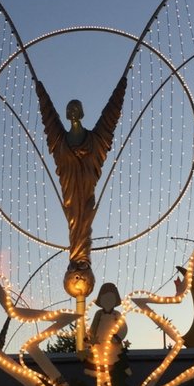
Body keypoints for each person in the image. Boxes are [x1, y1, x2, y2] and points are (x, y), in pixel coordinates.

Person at [35, 75, 127, 298]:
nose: (73, 111)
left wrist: (122, 84)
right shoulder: (59, 143)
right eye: (70, 109)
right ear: (67, 114)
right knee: (75, 221)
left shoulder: (96, 143)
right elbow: (49, 119)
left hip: (86, 192)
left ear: (82, 112)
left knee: (83, 219)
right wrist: (39, 87)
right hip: (69, 193)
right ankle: (79, 260)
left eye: (77, 108)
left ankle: (82, 261)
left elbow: (110, 117)